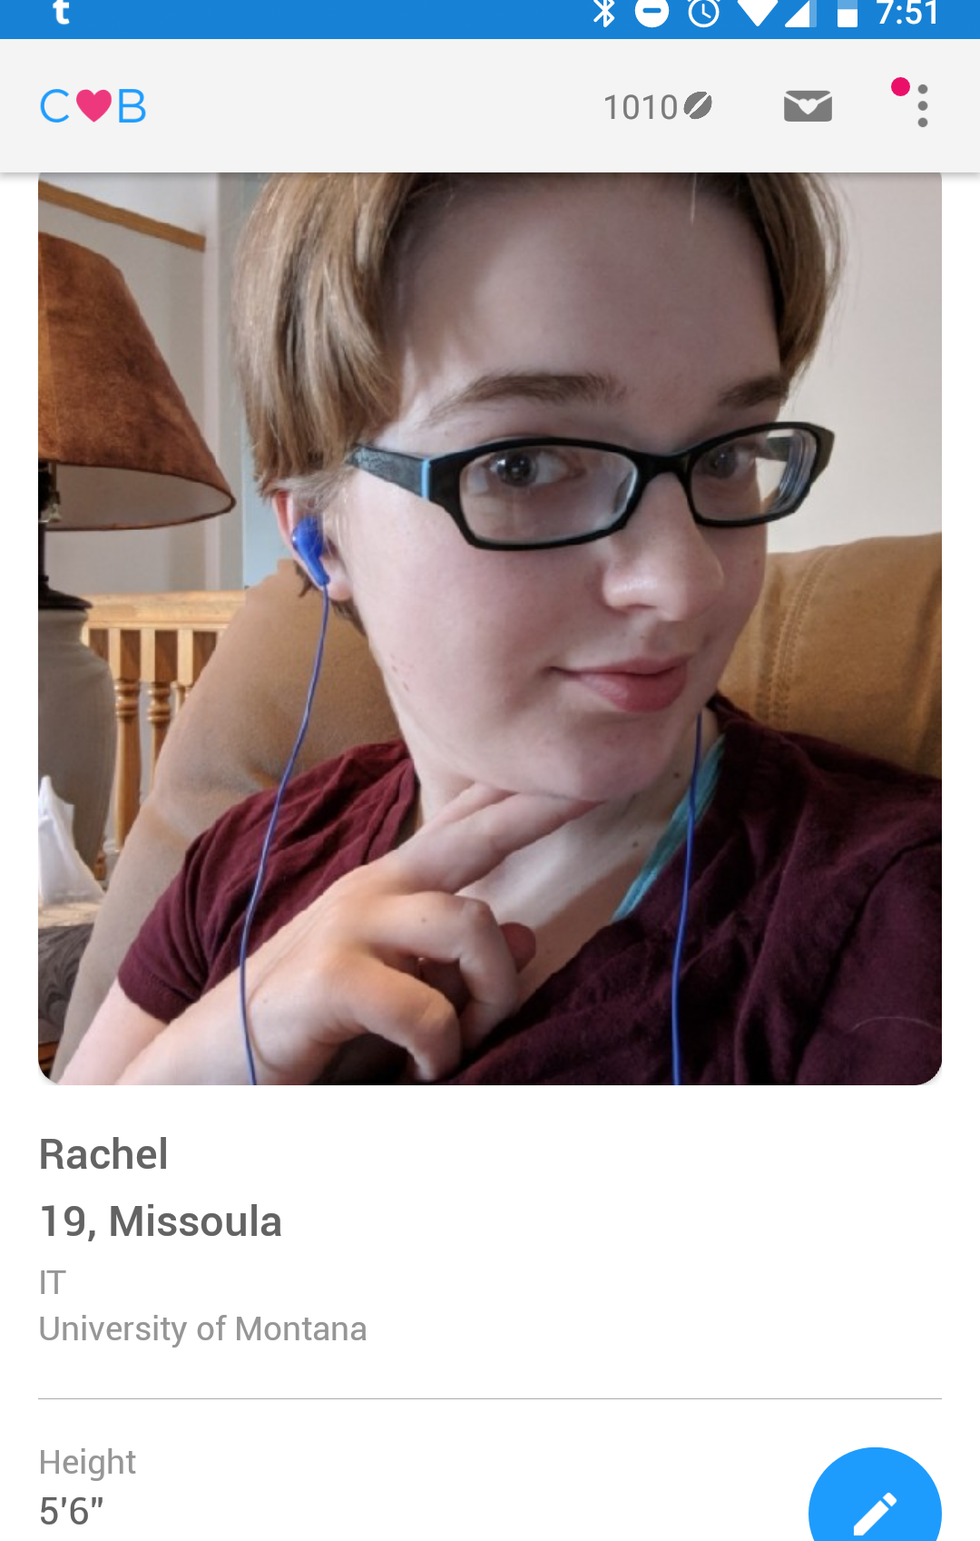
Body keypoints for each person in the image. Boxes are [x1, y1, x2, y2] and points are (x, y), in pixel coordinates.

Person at [61, 173, 940, 1086]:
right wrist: (207, 1064)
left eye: (727, 455)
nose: (686, 584)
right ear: (320, 536)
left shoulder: (909, 918)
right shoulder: (243, 862)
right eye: (523, 465)